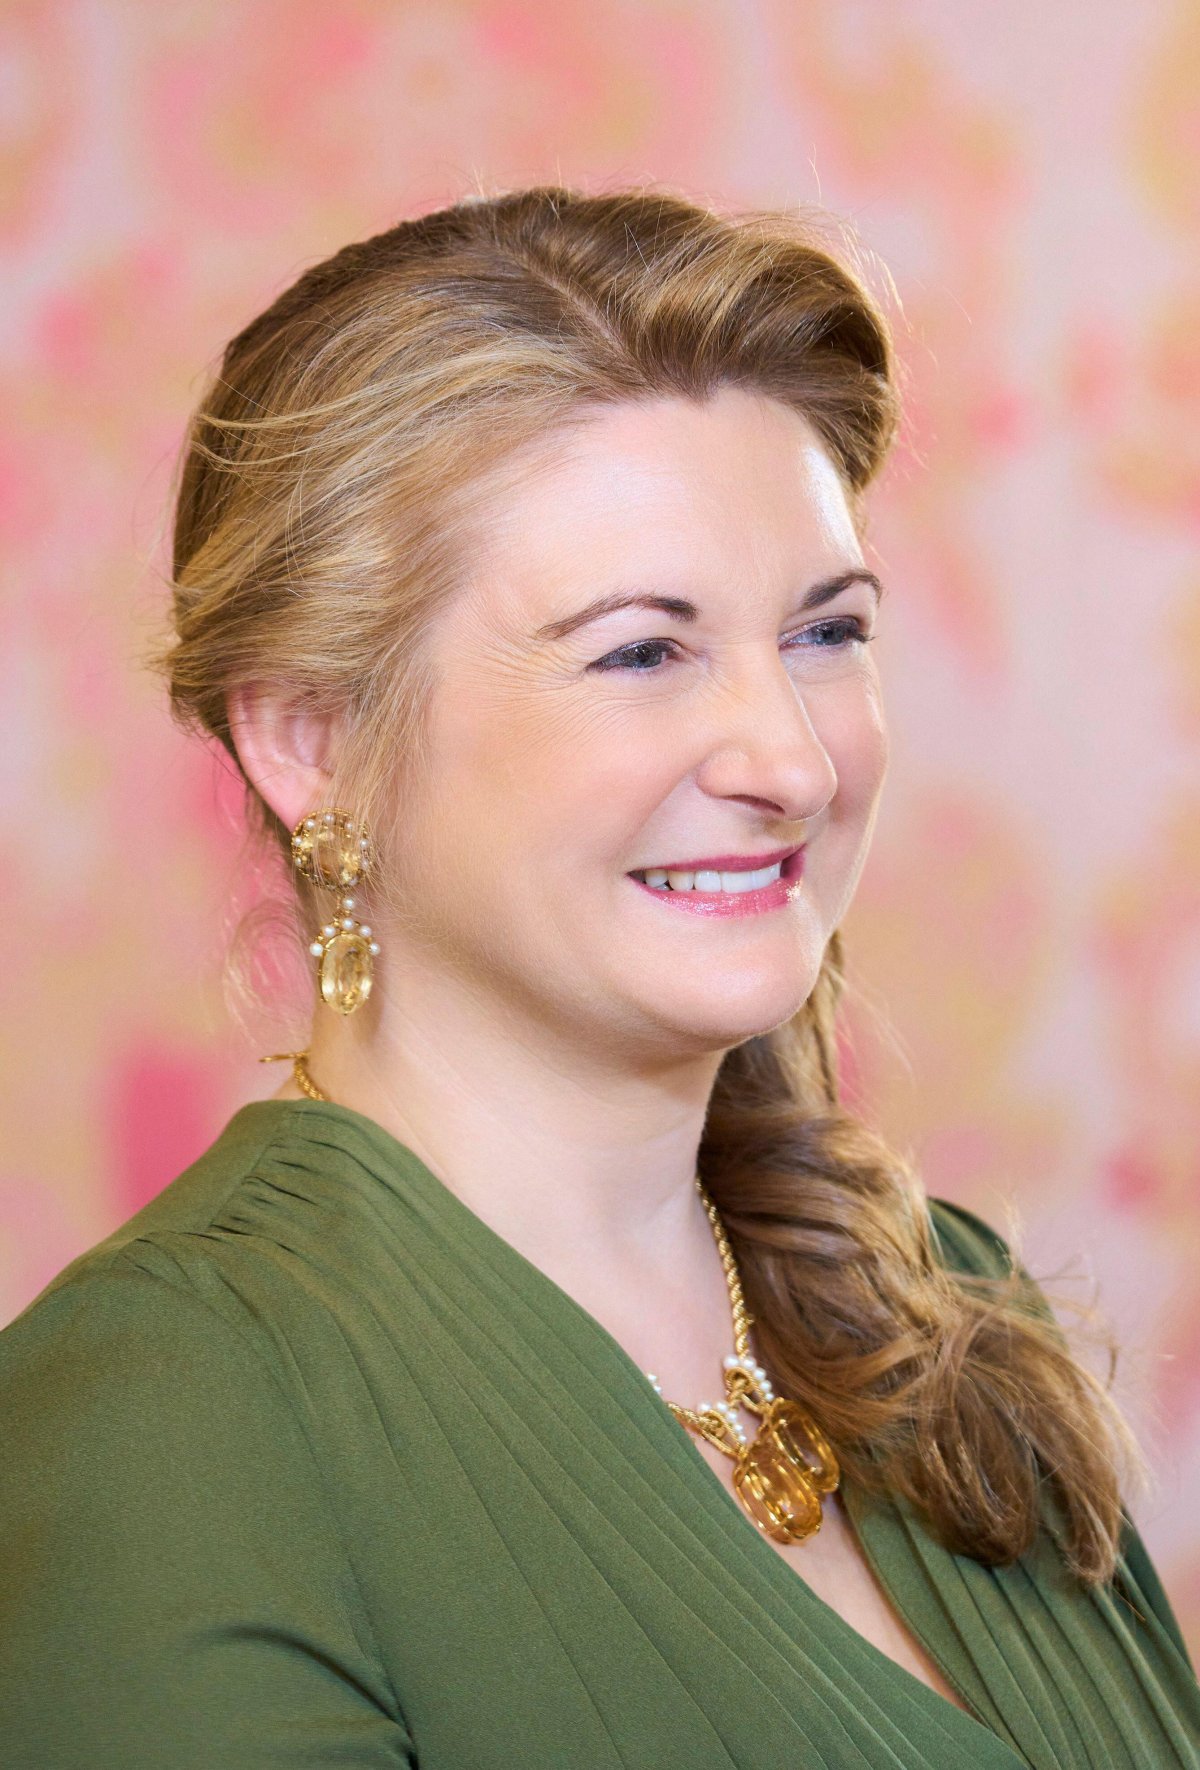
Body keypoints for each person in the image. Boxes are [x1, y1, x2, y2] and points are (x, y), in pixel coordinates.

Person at [1, 185, 1196, 1770]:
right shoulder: (174, 1410)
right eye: (644, 650)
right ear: (312, 737)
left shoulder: (941, 1302)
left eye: (828, 632)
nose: (788, 757)